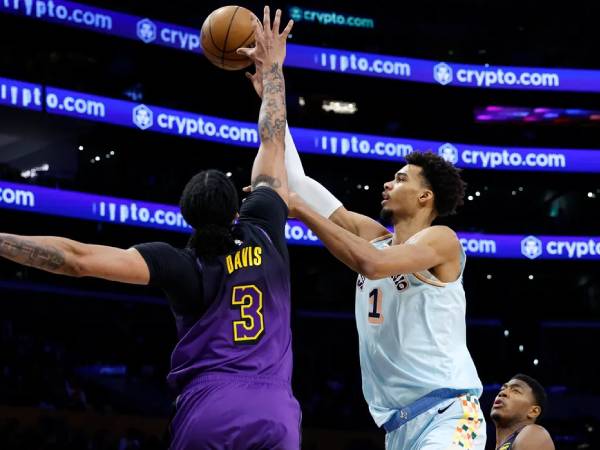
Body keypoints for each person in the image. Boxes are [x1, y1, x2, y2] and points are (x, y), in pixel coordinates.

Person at [0, 7, 299, 449]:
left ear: (187, 215)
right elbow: (272, 140)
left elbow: (77, 260)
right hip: (275, 413)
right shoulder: (266, 228)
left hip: (209, 408)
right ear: (240, 202)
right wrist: (272, 73)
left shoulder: (181, 263)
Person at [276, 127, 486, 448]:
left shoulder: (442, 239)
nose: (388, 183)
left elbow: (371, 265)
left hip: (448, 414)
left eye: (401, 179)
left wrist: (302, 211)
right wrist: (274, 106)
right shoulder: (374, 238)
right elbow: (299, 183)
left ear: (424, 196)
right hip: (397, 428)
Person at [491, 374, 555, 450]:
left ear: (533, 411)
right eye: (502, 389)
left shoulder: (534, 433)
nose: (502, 393)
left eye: (516, 391)